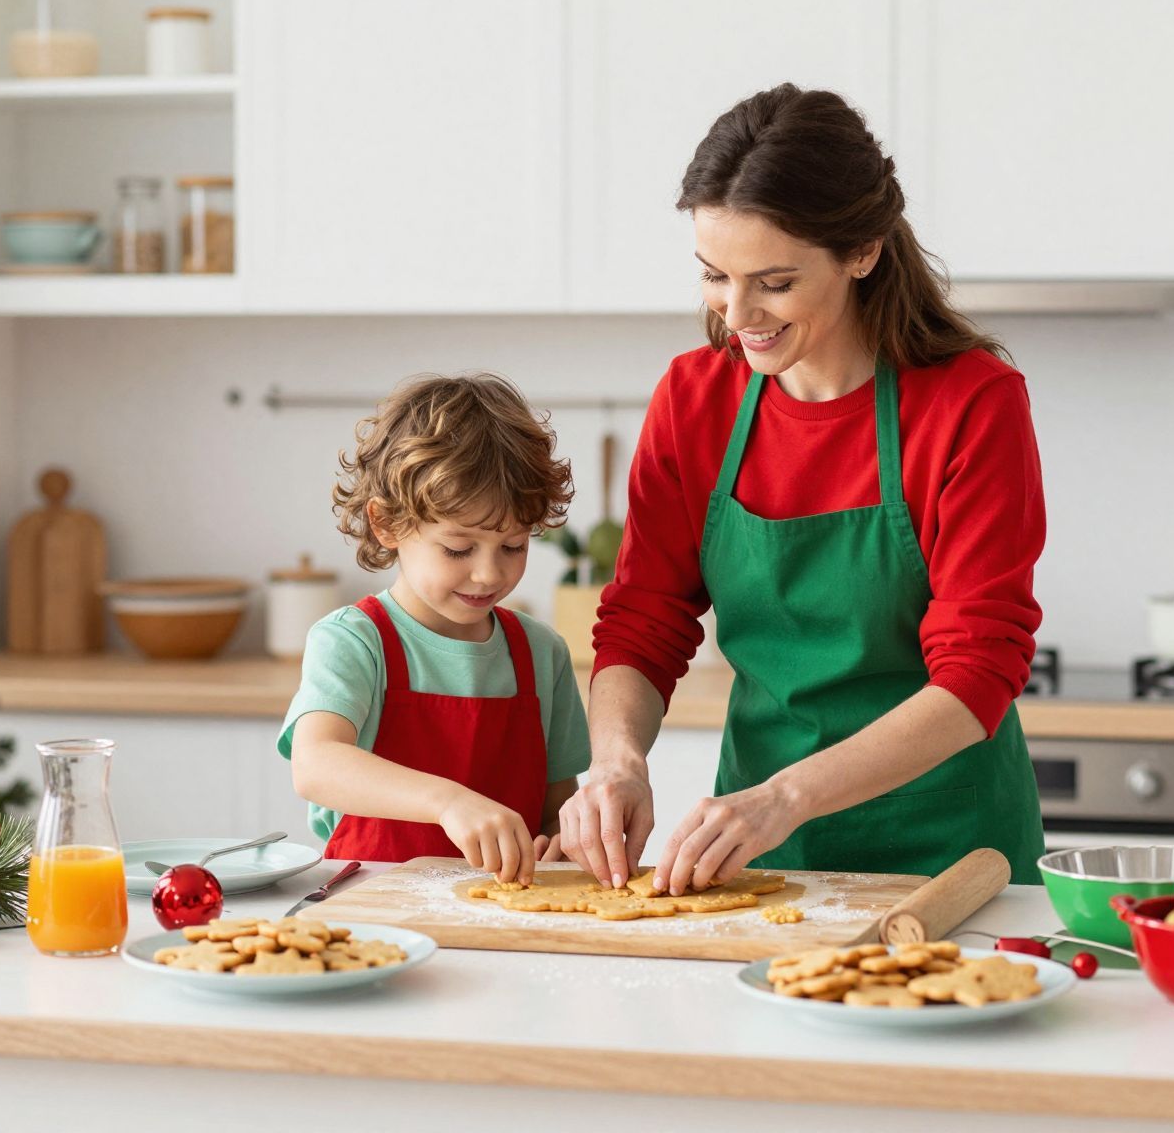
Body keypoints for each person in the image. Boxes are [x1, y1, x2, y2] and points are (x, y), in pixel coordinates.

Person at [562, 84, 1047, 895]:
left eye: (775, 282)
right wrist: (615, 762)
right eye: (715, 275)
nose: (737, 312)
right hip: (762, 857)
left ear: (862, 252)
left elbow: (977, 674)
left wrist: (785, 798)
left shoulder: (971, 404)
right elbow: (645, 618)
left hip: (952, 860)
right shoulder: (695, 398)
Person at [282, 373, 588, 882]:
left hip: (505, 916)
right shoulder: (355, 641)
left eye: (513, 546)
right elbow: (315, 765)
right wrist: (447, 801)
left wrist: (564, 841)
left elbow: (559, 808)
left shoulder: (541, 653)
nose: (489, 573)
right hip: (373, 908)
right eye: (458, 549)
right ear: (387, 525)